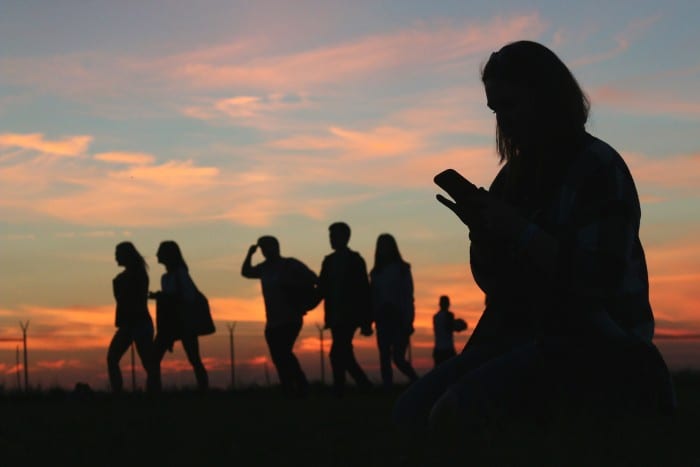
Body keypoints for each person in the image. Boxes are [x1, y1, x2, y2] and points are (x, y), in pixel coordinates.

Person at [393, 40, 675, 430]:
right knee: (409, 413)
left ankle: (630, 391)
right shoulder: (512, 178)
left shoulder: (597, 167)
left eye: (510, 105)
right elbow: (497, 285)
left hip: (596, 342)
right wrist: (483, 237)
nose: (502, 121)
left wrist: (518, 230)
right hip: (522, 335)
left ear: (546, 98)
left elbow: (599, 279)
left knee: (452, 414)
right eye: (495, 110)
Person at [241, 235, 313, 397]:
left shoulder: (290, 264)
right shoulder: (264, 268)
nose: (264, 251)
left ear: (275, 247)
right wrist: (250, 254)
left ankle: (301, 385)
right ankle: (289, 388)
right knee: (278, 356)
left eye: (266, 247)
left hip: (291, 318)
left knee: (284, 353)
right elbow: (246, 272)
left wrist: (301, 296)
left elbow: (313, 278)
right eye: (262, 248)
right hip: (272, 321)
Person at [318, 222, 373, 396]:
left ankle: (343, 387)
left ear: (345, 237)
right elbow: (321, 288)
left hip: (350, 315)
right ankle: (357, 386)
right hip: (335, 315)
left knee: (338, 353)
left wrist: (366, 321)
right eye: (330, 236)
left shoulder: (355, 260)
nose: (331, 239)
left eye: (334, 236)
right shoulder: (328, 261)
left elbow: (364, 291)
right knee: (343, 353)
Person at [149, 240, 209, 392]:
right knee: (154, 358)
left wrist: (163, 297)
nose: (157, 254)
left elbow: (188, 297)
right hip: (170, 324)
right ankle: (154, 391)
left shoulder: (180, 274)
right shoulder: (165, 278)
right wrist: (162, 296)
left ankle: (204, 390)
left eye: (160, 251)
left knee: (193, 358)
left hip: (184, 323)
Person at [369, 233, 419, 389]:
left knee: (398, 357)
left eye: (386, 245)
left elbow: (408, 295)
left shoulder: (402, 269)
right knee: (384, 356)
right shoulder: (376, 273)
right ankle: (387, 388)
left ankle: (417, 383)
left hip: (399, 317)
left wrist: (409, 319)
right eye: (381, 246)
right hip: (382, 317)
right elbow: (373, 297)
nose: (384, 249)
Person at [107, 241, 157, 393]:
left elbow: (127, 299)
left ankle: (153, 393)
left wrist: (118, 285)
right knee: (113, 358)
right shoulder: (133, 275)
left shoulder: (136, 275)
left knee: (147, 363)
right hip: (131, 324)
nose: (116, 258)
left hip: (138, 324)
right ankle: (119, 392)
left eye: (118, 254)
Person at [432, 295, 467, 368]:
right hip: (447, 350)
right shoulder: (449, 315)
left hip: (438, 350)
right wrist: (460, 325)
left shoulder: (435, 317)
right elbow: (452, 327)